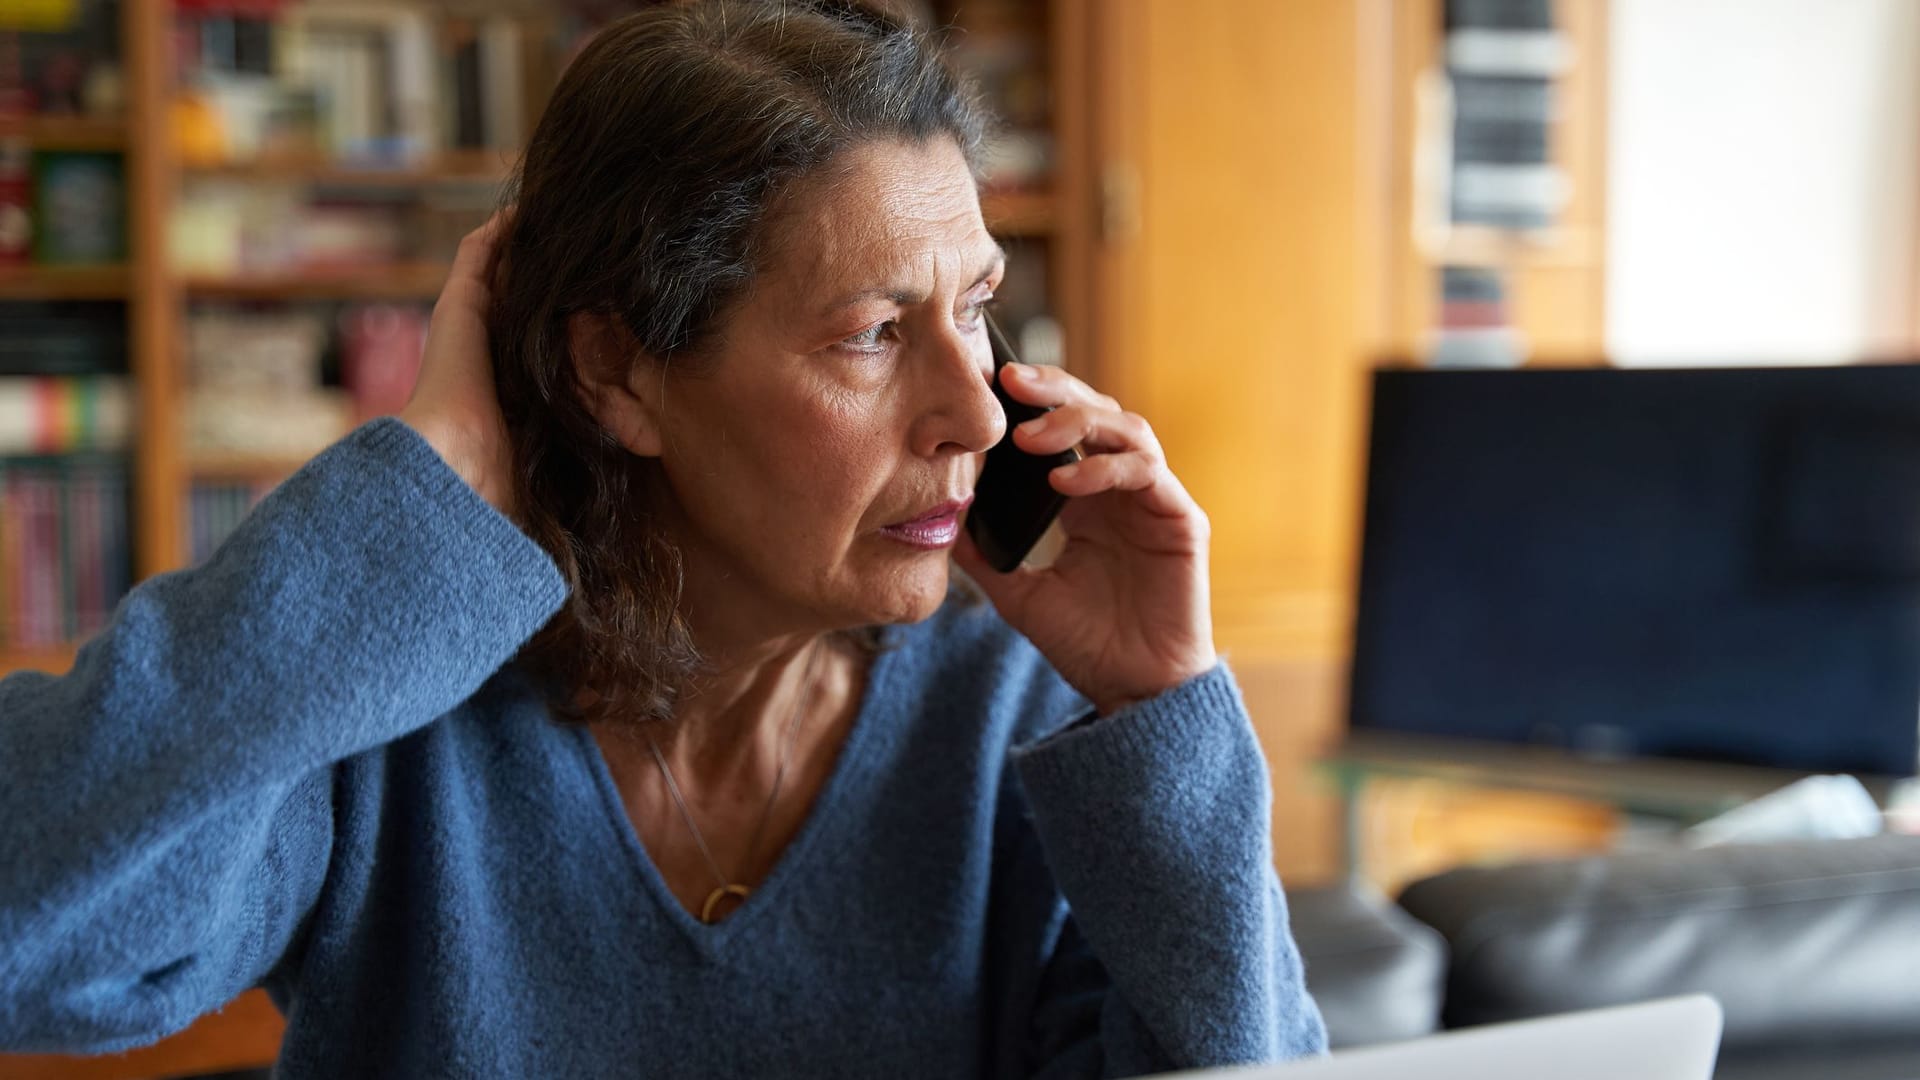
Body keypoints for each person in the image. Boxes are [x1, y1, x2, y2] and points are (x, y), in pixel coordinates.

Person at [0, 2, 1326, 1075]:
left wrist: (1164, 712)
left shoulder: (1022, 713)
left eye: (976, 305)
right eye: (871, 331)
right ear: (615, 377)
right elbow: (30, 939)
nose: (977, 407)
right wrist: (423, 488)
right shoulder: (391, 726)